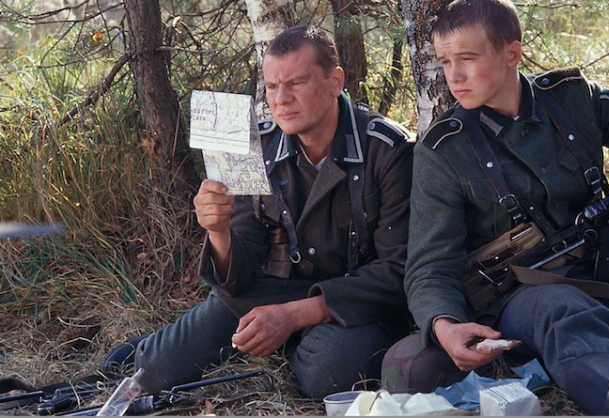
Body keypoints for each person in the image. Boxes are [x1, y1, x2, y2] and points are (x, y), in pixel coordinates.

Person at [381, 0, 609, 415]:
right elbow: (429, 264)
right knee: (564, 311)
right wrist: (445, 324)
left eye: (467, 58)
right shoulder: (444, 151)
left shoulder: (570, 99)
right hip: (524, 298)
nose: (453, 75)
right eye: (445, 61)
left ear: (512, 54)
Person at [103, 26, 414, 399]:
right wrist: (219, 231)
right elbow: (241, 275)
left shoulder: (387, 150)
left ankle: (292, 342)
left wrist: (294, 317)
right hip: (274, 293)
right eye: (272, 86)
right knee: (154, 369)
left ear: (335, 82)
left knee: (328, 375)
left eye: (296, 83)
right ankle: (249, 340)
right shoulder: (255, 145)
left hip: (355, 304)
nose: (281, 99)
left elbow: (396, 271)